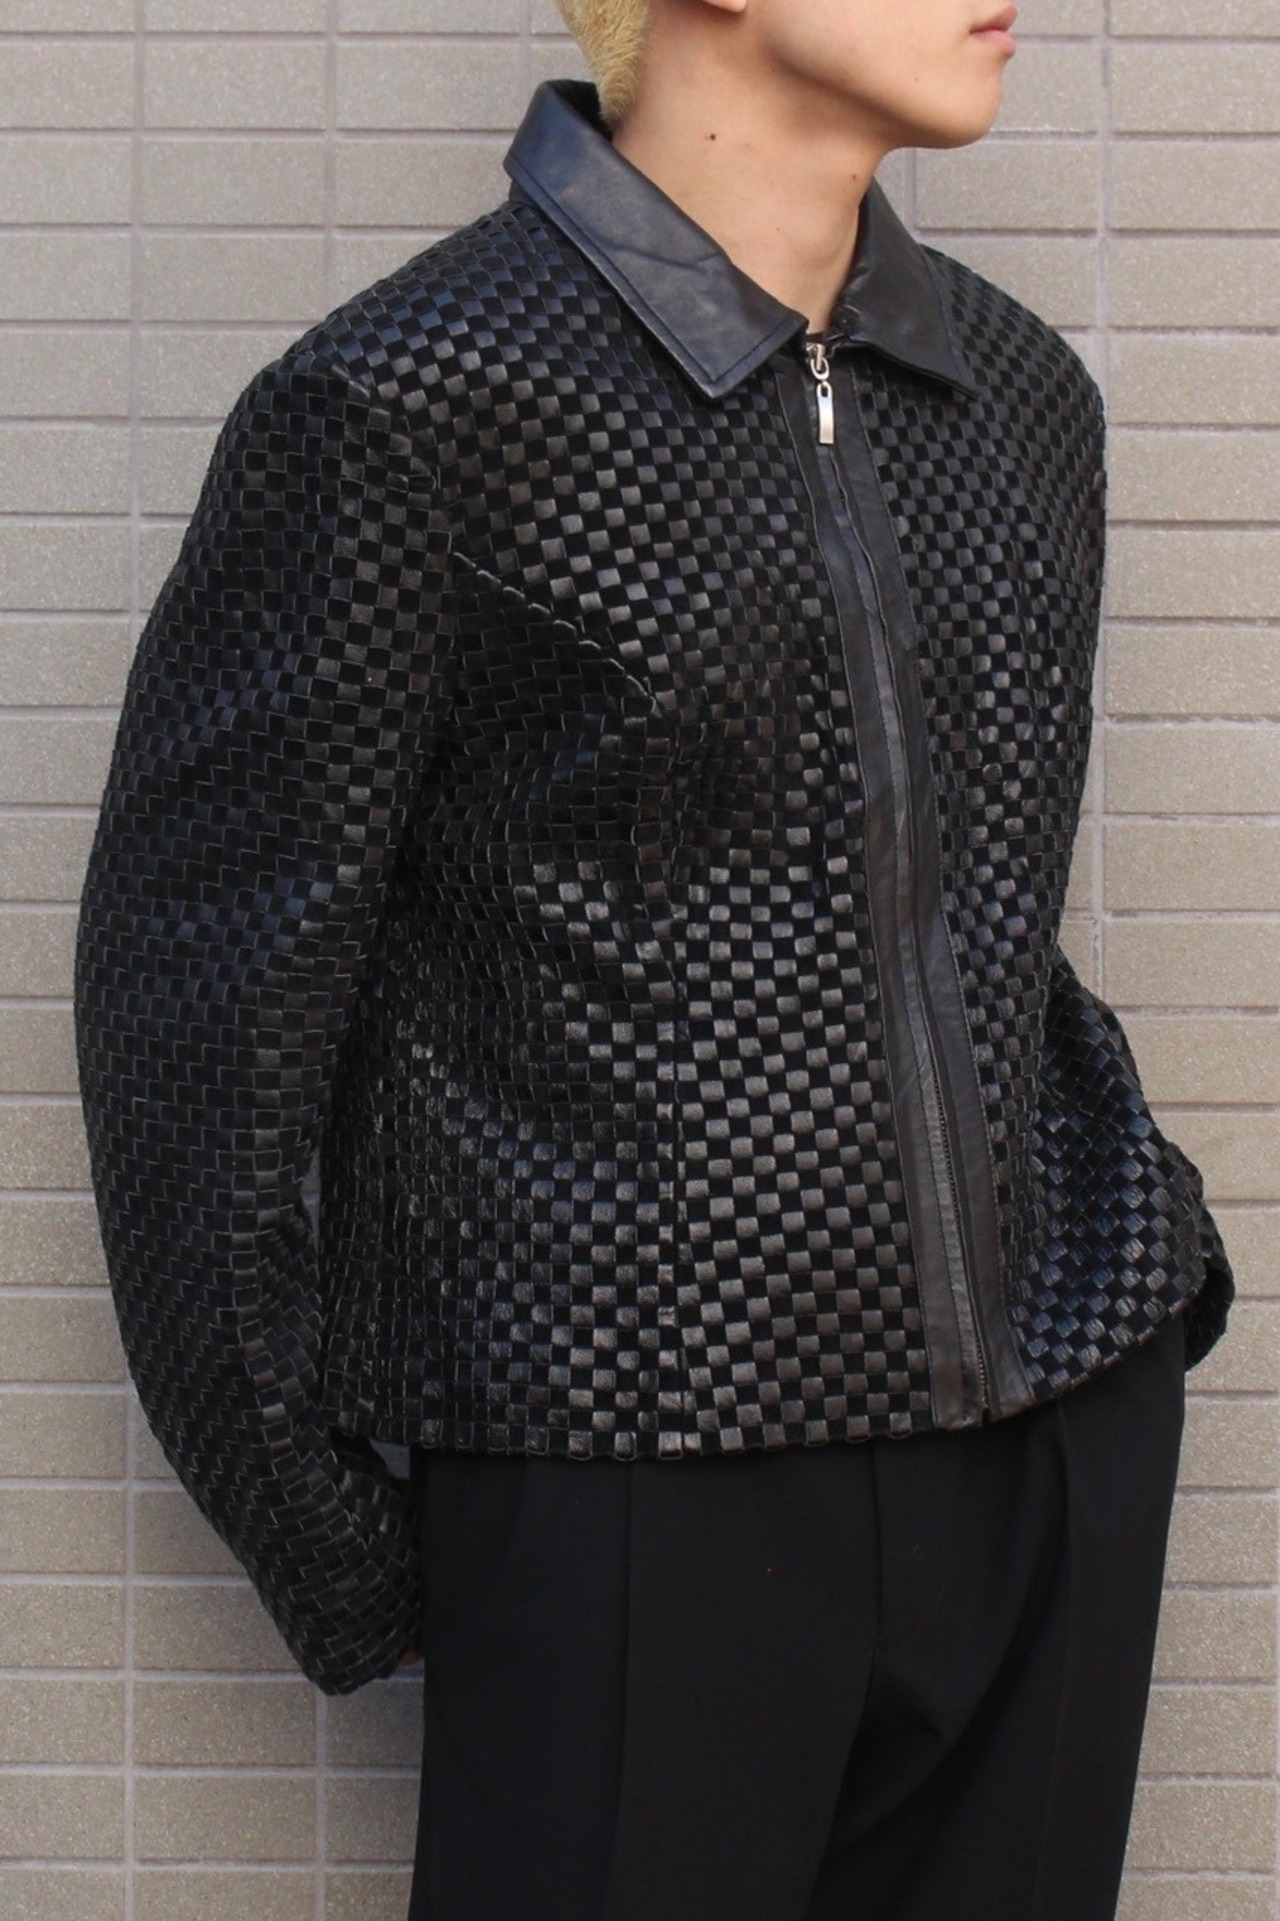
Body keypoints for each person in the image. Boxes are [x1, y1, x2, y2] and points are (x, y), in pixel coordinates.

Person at [74, 2, 1235, 1916]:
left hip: (1046, 1444)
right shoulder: (411, 404)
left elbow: (975, 918)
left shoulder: (1020, 395)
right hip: (627, 1464)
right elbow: (197, 1027)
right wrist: (339, 1542)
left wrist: (1129, 1327)